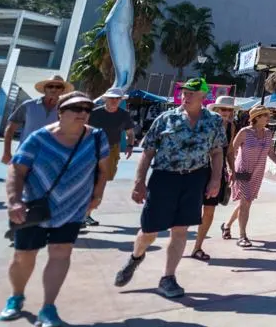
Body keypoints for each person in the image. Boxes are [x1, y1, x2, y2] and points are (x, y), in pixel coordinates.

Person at [0, 91, 109, 327]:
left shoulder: (97, 138)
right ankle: (16, 296)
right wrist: (14, 200)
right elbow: (17, 170)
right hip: (35, 206)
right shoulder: (39, 138)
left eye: (86, 109)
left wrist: (97, 194)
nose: (82, 113)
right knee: (24, 256)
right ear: (61, 111)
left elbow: (103, 169)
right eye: (76, 108)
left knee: (61, 253)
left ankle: (48, 306)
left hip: (73, 207)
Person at [113, 78, 225, 299]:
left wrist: (215, 179)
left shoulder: (214, 121)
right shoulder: (165, 118)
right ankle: (136, 257)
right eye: (184, 91)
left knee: (180, 229)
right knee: (149, 231)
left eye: (192, 92)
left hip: (194, 179)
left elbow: (217, 151)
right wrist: (139, 182)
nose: (186, 95)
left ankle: (168, 277)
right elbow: (148, 151)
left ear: (203, 96)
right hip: (164, 178)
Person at [223, 104, 276, 246]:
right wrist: (231, 169)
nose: (268, 118)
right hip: (243, 171)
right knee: (245, 202)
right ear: (256, 118)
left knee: (245, 202)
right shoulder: (245, 132)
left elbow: (270, 151)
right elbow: (231, 150)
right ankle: (242, 236)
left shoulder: (268, 133)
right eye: (266, 115)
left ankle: (227, 225)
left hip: (257, 173)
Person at [189, 95, 238, 261]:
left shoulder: (231, 127)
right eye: (223, 109)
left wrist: (232, 170)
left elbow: (230, 151)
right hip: (198, 170)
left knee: (209, 210)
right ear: (216, 109)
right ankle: (178, 242)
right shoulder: (204, 123)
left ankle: (197, 247)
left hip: (217, 172)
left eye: (229, 110)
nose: (226, 112)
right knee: (189, 208)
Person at [83, 87, 136, 226]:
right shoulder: (94, 113)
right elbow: (82, 129)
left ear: (120, 101)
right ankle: (83, 214)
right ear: (105, 99)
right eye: (111, 98)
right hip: (92, 149)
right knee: (88, 180)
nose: (114, 101)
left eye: (117, 99)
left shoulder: (124, 115)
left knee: (102, 181)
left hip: (112, 150)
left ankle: (87, 214)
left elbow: (130, 133)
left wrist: (130, 146)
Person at [2, 75, 73, 164]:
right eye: (50, 86)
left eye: (58, 87)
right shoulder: (28, 105)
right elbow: (10, 129)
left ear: (62, 90)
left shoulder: (66, 110)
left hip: (51, 159)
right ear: (45, 89)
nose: (53, 89)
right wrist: (6, 152)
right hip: (25, 155)